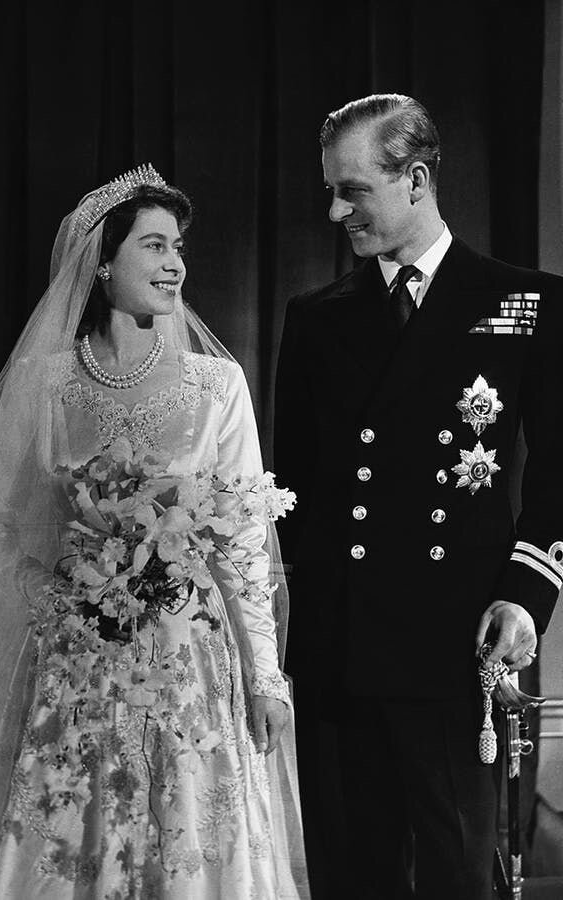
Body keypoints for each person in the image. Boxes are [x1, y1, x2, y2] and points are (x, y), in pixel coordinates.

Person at [0, 164, 309, 899]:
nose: (175, 262)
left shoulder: (217, 387)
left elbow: (244, 546)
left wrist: (265, 678)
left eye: (178, 246)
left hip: (188, 665)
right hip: (78, 664)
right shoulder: (44, 384)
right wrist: (51, 596)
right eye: (154, 245)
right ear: (102, 262)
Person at [274, 93, 563, 899]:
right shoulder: (317, 319)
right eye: (332, 191)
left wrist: (527, 594)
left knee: (456, 875)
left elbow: (560, 470)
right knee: (352, 876)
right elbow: (293, 496)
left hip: (455, 641)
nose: (336, 212)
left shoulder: (523, 304)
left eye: (353, 191)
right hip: (341, 649)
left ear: (417, 180)